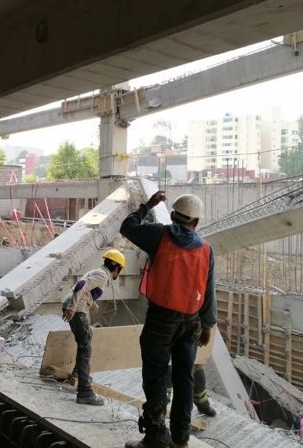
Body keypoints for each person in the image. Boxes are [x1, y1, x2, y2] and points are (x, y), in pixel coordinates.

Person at [121, 191, 216, 448]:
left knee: (156, 377)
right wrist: (208, 325)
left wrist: (148, 206)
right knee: (184, 378)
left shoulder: (158, 235)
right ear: (196, 222)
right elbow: (208, 290)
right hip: (192, 322)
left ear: (173, 215)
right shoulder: (207, 249)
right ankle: (180, 438)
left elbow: (127, 227)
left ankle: (154, 437)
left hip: (161, 320)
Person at [61, 249, 126, 406]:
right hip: (77, 310)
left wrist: (92, 304)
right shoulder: (103, 276)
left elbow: (85, 290)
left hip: (77, 307)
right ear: (117, 268)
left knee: (84, 341)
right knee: (86, 347)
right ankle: (85, 391)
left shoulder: (97, 271)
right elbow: (81, 285)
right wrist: (72, 307)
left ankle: (77, 376)